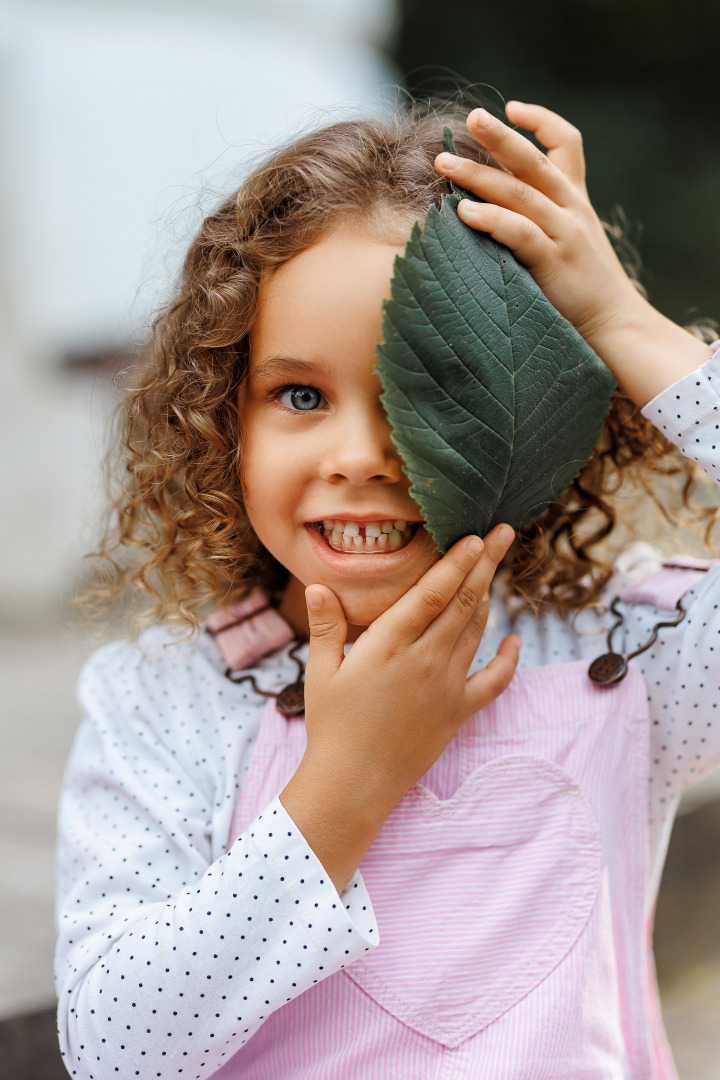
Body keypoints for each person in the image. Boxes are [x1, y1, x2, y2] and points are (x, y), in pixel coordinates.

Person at [55, 97, 720, 1079]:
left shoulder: (623, 653)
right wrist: (347, 784)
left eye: (430, 389)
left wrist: (622, 319)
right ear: (220, 420)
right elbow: (117, 1050)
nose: (362, 454)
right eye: (300, 395)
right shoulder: (164, 702)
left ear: (530, 407)